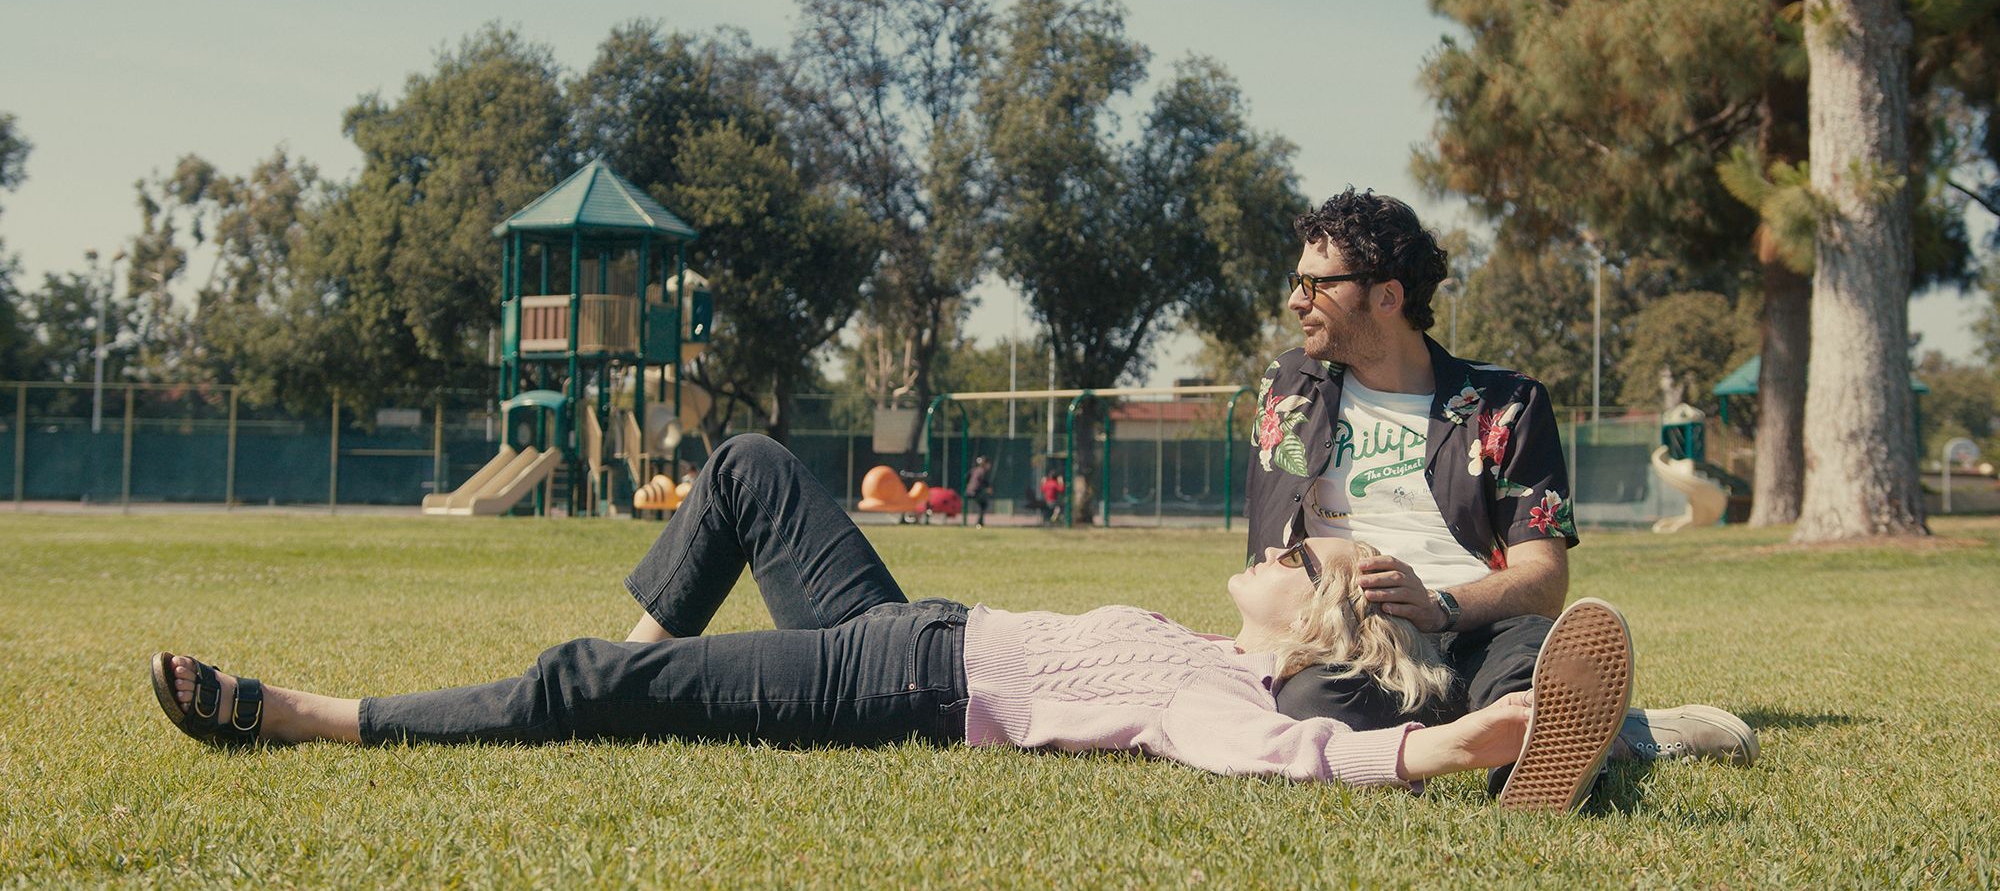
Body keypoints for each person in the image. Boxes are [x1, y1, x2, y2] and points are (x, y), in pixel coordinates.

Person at [151, 435, 1635, 811]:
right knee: (748, 470)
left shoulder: (1229, 701)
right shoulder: (1230, 655)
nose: (1268, 547)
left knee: (571, 676)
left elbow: (1306, 766)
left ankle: (304, 715)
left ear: (1308, 629)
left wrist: (1451, 754)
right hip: (917, 623)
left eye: (1291, 555)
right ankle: (673, 682)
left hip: (895, 682)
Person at [1246, 188, 1755, 772]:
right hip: (1350, 637)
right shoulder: (1290, 388)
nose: (1295, 300)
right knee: (1310, 704)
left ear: (1387, 296)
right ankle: (1605, 731)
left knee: (1527, 662)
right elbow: (1270, 546)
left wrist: (1439, 606)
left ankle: (1542, 751)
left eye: (1317, 285)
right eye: (1297, 279)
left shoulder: (1508, 404)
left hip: (1476, 626)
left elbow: (1543, 578)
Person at [965, 456, 994, 528]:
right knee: (984, 504)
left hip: (969, 491)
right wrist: (988, 488)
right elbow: (984, 481)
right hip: (975, 492)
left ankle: (980, 523)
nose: (989, 466)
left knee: (983, 504)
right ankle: (979, 523)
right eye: (988, 464)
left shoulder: (974, 470)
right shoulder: (982, 471)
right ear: (985, 464)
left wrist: (968, 485)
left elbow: (966, 477)